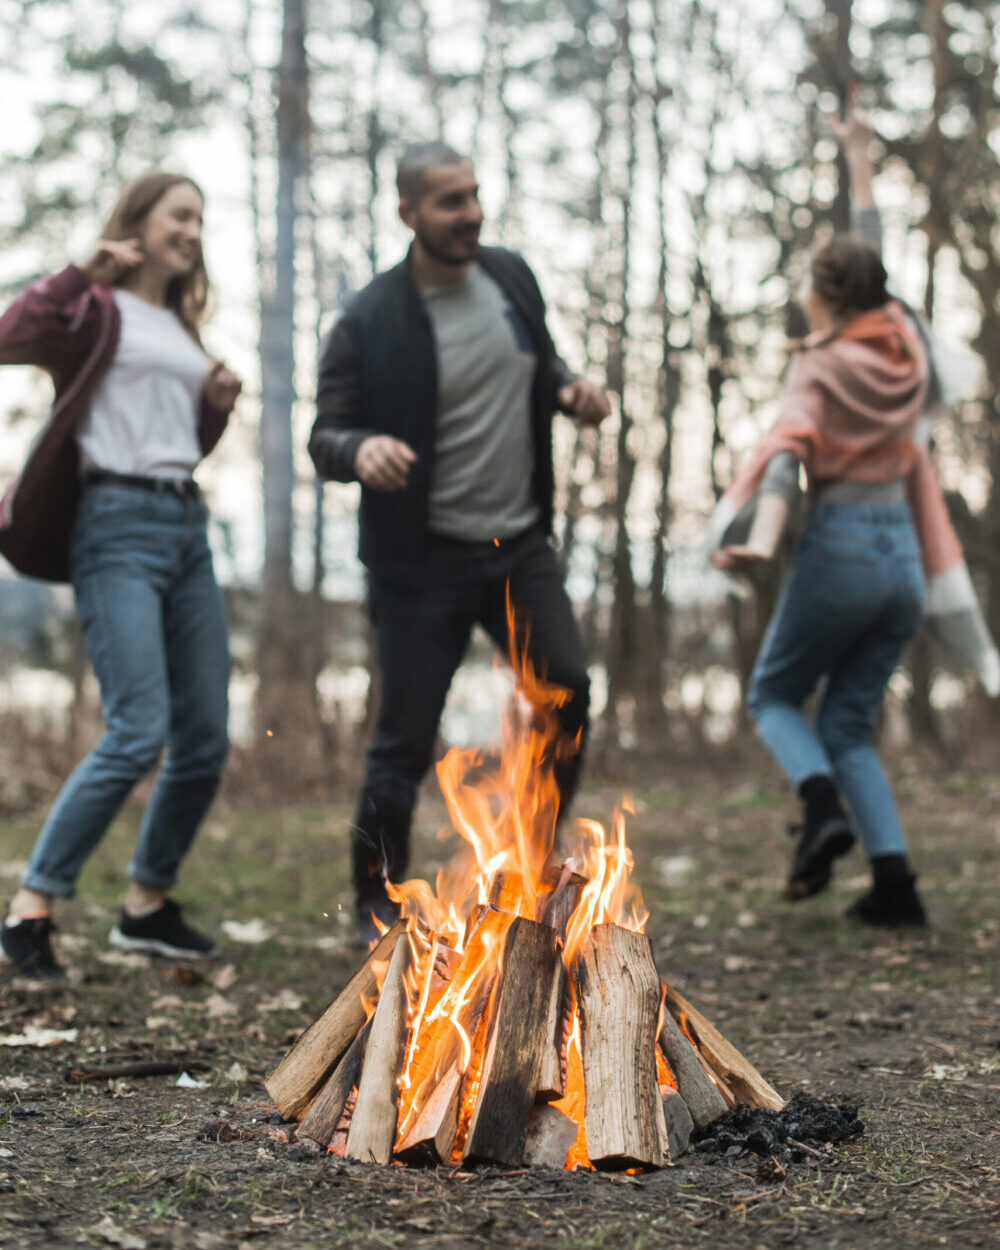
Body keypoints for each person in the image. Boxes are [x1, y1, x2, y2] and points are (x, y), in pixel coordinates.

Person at [309, 142, 610, 944]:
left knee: (568, 691)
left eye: (473, 196)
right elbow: (324, 435)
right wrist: (358, 449)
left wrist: (570, 390)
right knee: (405, 737)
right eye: (449, 201)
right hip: (423, 563)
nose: (470, 212)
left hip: (518, 546)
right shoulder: (370, 318)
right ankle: (375, 902)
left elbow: (538, 369)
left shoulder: (510, 276)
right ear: (409, 213)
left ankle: (531, 852)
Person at [710, 102, 998, 928]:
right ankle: (897, 885)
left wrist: (761, 542)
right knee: (847, 720)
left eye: (810, 284)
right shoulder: (904, 340)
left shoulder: (819, 369)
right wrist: (860, 162)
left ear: (826, 297)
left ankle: (820, 805)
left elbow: (785, 459)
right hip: (902, 559)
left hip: (839, 549)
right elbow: (872, 256)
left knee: (772, 697)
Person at [0, 172, 242, 979]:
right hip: (115, 526)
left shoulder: (181, 324)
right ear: (139, 220)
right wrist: (83, 272)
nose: (193, 229)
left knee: (205, 733)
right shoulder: (97, 307)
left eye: (199, 218)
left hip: (185, 525)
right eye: (181, 213)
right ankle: (32, 908)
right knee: (140, 726)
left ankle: (146, 906)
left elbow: (178, 438)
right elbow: (12, 333)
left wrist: (216, 401)